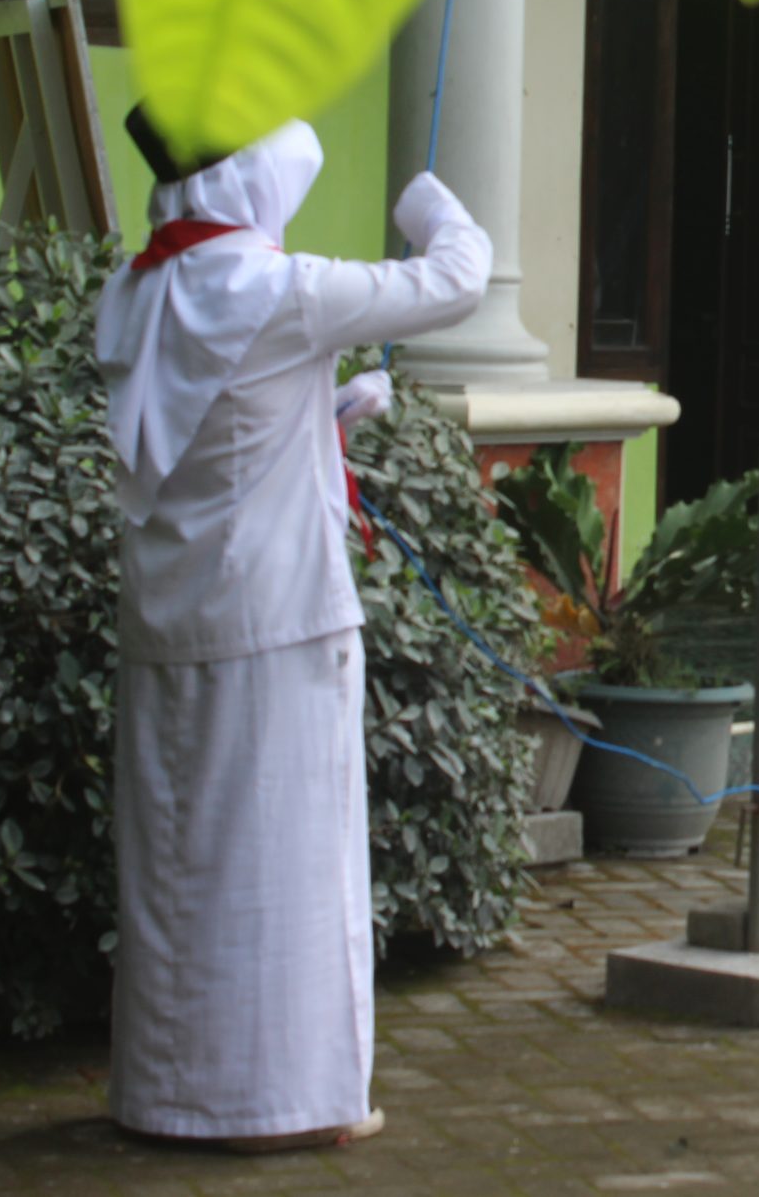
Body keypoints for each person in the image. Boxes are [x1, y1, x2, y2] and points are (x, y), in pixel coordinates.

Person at [96, 110, 491, 1152]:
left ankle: (165, 1090)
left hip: (171, 623)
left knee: (179, 866)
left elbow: (208, 435)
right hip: (273, 626)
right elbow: (458, 276)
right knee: (278, 870)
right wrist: (424, 195)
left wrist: (328, 411)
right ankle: (273, 1103)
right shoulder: (276, 291)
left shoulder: (138, 290)